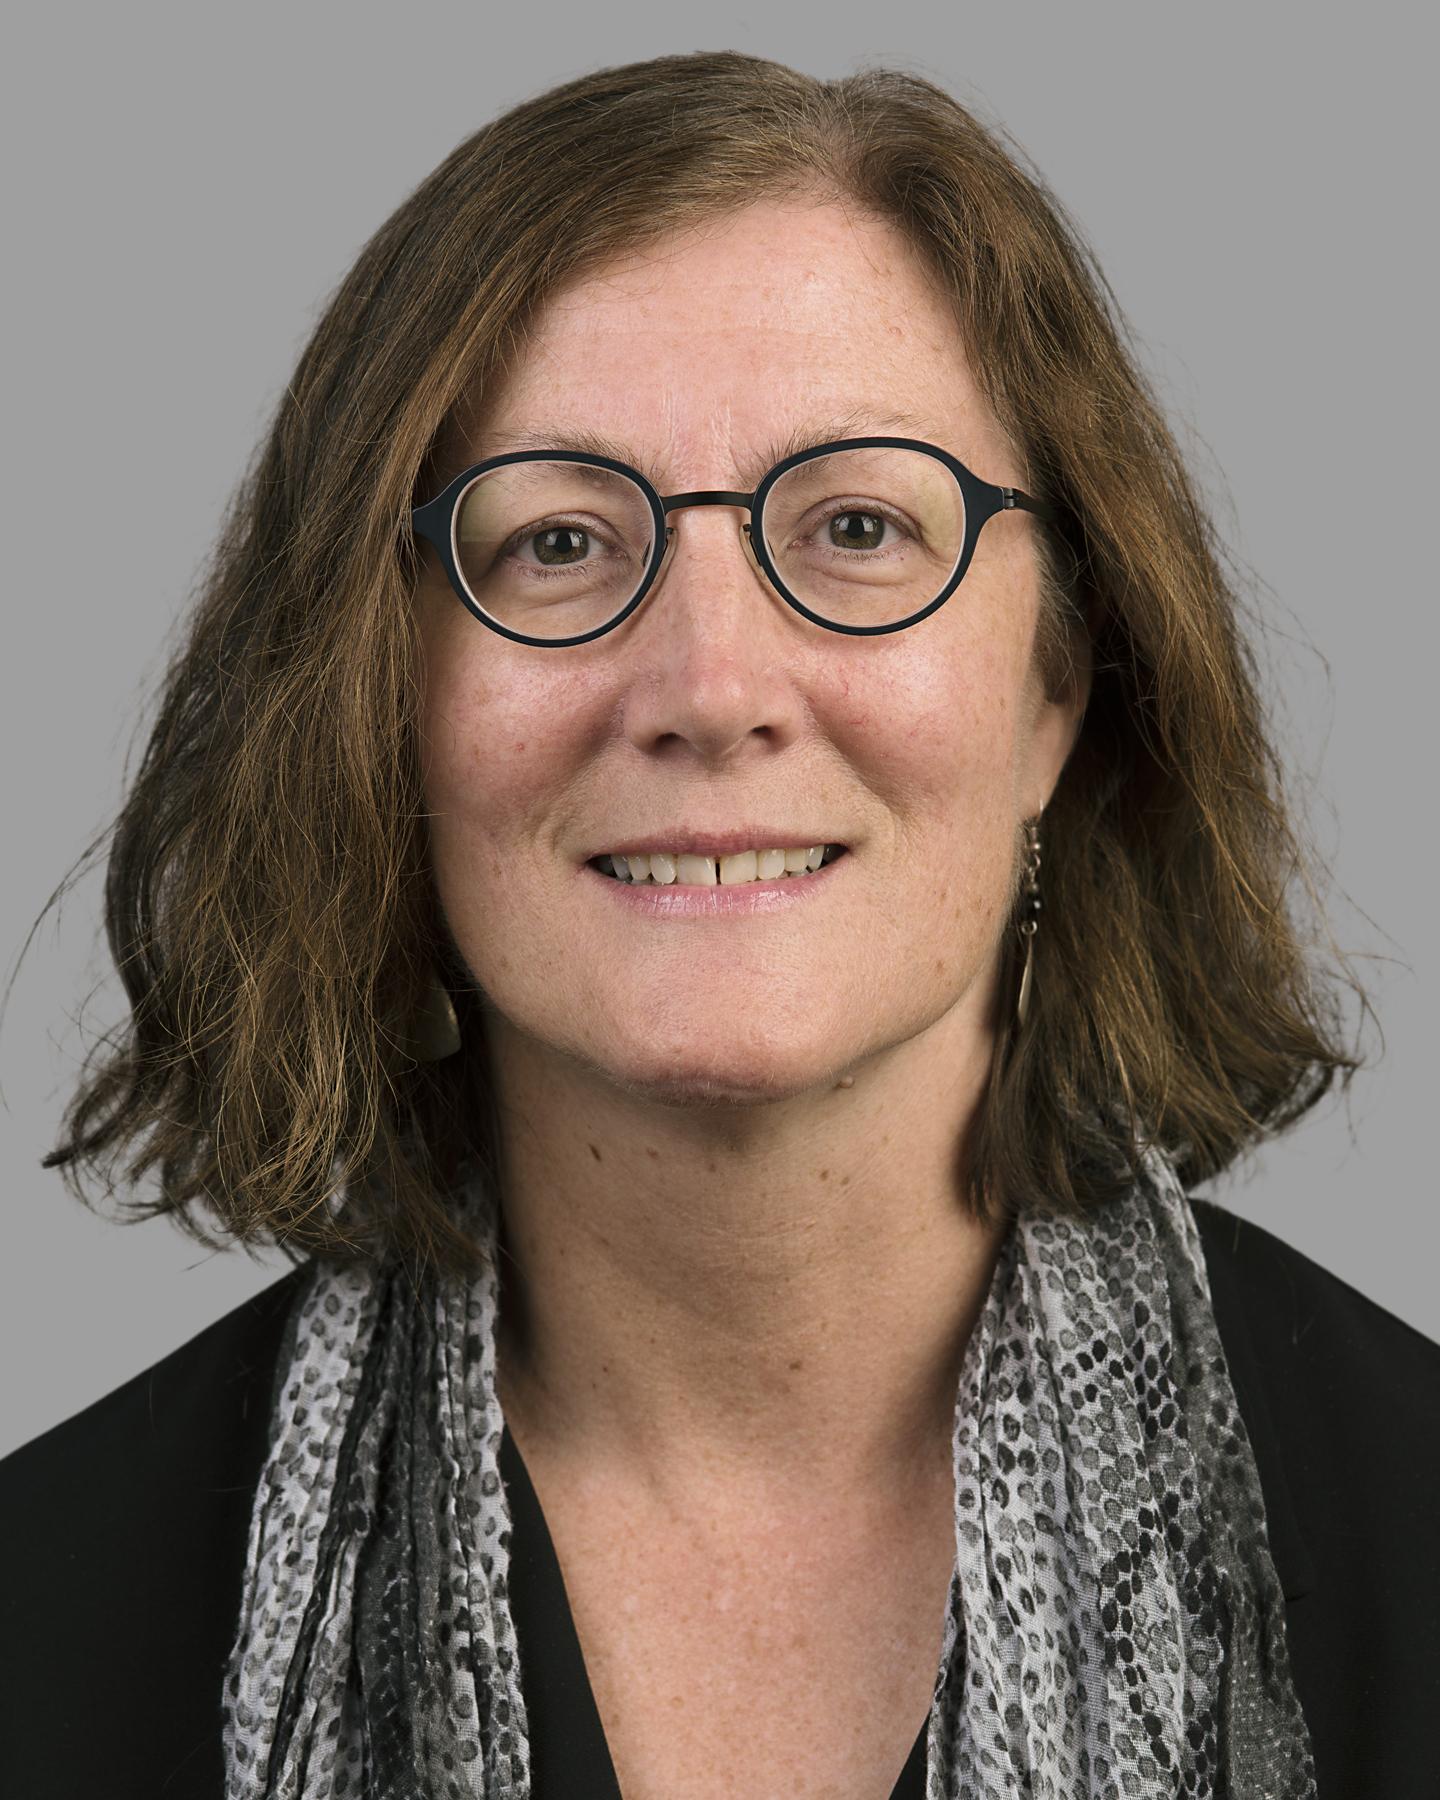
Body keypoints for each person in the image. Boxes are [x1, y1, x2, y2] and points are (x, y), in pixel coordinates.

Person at [1, 47, 1435, 1800]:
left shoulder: (1410, 1539)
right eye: (557, 546)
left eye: (853, 526)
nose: (709, 684)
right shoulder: (48, 1610)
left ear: (1059, 685)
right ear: (380, 709)